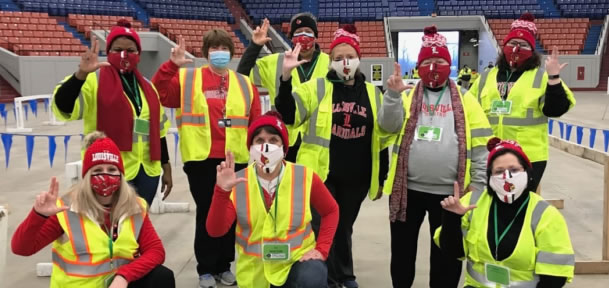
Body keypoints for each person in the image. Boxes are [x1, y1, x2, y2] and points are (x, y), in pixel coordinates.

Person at [276, 24, 395, 288]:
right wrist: (285, 79)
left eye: (349, 56)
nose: (345, 62)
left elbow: (382, 138)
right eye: (338, 57)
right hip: (322, 175)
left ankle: (343, 274)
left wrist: (382, 175)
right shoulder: (315, 88)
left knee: (344, 227)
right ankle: (333, 279)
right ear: (331, 61)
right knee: (323, 226)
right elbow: (288, 114)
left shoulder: (373, 93)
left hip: (358, 178)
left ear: (359, 59)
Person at [377, 26, 493, 288]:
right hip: (407, 191)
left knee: (447, 257)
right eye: (427, 62)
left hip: (451, 194)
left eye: (439, 61)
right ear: (418, 66)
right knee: (402, 255)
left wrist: (476, 186)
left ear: (449, 65)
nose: (433, 66)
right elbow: (386, 127)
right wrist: (393, 96)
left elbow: (480, 147)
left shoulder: (466, 100)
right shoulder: (405, 95)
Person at [152, 28, 261, 288]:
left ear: (231, 53)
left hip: (237, 160)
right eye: (214, 48)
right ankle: (206, 269)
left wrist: (257, 154)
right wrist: (170, 66)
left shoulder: (244, 83)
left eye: (224, 48)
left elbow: (256, 121)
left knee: (231, 214)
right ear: (205, 53)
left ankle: (224, 266)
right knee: (207, 214)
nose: (219, 53)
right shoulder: (188, 79)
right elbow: (158, 93)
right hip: (201, 160)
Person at [11, 132, 175, 288]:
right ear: (87, 176)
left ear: (121, 174)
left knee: (161, 276)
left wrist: (124, 276)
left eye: (111, 170)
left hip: (116, 284)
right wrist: (38, 215)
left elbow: (156, 251)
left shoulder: (135, 206)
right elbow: (21, 249)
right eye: (97, 171)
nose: (105, 176)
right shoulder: (66, 209)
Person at [206, 111, 339, 288]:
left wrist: (321, 249)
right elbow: (216, 231)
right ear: (251, 148)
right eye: (259, 141)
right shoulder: (237, 181)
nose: (266, 146)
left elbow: (331, 210)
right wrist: (221, 191)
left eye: (273, 140)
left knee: (313, 276)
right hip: (255, 274)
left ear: (284, 148)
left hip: (295, 264)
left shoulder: (304, 176)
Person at [52, 20, 172, 207]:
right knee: (109, 227)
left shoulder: (147, 87)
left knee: (138, 225)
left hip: (147, 170)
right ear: (108, 52)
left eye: (130, 50)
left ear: (139, 54)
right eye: (117, 49)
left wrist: (166, 167)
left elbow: (159, 130)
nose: (124, 54)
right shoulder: (93, 80)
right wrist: (81, 75)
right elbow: (64, 106)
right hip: (108, 170)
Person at [434, 138, 574, 287]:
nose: (507, 177)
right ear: (490, 177)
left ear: (527, 172)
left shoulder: (545, 214)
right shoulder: (472, 202)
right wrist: (452, 218)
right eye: (499, 171)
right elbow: (454, 253)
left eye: (514, 170)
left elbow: (555, 277)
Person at [467, 13, 576, 191]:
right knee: (490, 203)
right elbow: (469, 108)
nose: (516, 48)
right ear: (504, 46)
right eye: (512, 43)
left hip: (528, 156)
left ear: (532, 50)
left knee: (520, 205)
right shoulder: (487, 76)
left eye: (523, 45)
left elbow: (556, 109)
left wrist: (554, 78)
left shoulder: (541, 76)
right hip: (490, 153)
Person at [237, 14, 331, 162]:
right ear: (291, 37)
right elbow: (241, 76)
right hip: (281, 141)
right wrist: (255, 46)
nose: (303, 36)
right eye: (298, 33)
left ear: (315, 36)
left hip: (319, 147)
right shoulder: (275, 62)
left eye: (308, 31)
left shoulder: (330, 63)